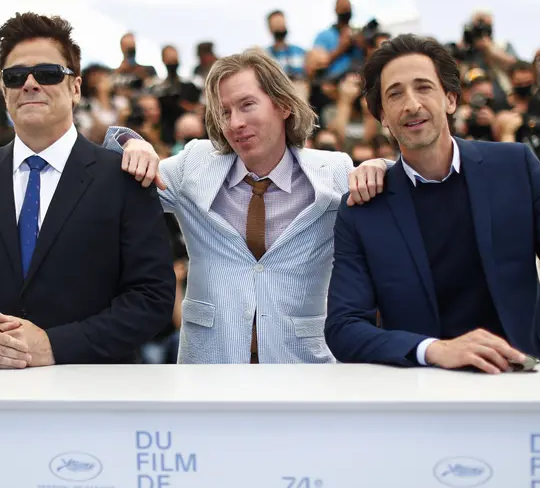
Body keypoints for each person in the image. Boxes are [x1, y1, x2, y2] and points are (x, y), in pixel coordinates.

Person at [324, 34, 540, 379]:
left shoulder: (515, 167)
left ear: (450, 99)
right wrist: (433, 349)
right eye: (395, 94)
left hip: (536, 377)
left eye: (424, 87)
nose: (411, 104)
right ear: (382, 117)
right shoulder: (364, 206)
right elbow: (344, 327)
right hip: (430, 393)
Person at [0, 12, 176, 369]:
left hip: (94, 396)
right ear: (4, 92)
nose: (30, 84)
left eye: (49, 73)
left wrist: (55, 345)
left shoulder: (125, 179)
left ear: (76, 87)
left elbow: (152, 297)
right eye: (16, 76)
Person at [103, 48, 388, 364]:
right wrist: (131, 142)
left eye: (247, 105)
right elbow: (105, 179)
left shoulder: (333, 170)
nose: (235, 122)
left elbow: (404, 186)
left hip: (303, 370)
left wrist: (380, 167)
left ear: (283, 105)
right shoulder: (193, 165)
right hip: (209, 369)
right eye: (224, 112)